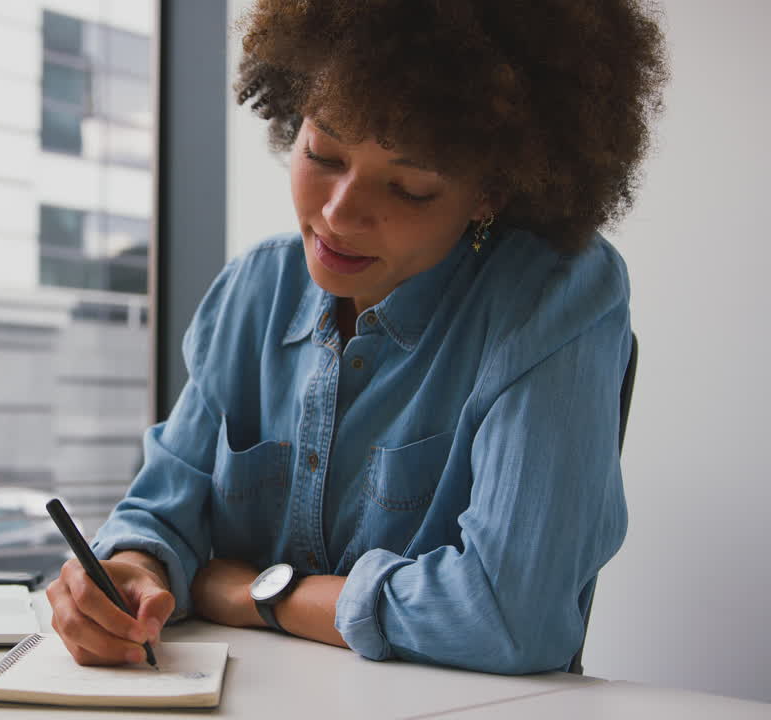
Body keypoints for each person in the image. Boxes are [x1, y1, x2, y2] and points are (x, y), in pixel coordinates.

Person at [47, 0, 667, 675]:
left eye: (408, 187)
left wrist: (261, 594)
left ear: (492, 190)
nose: (339, 215)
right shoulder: (254, 291)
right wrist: (129, 572)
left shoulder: (552, 297)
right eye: (323, 151)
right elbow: (166, 508)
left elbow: (511, 617)